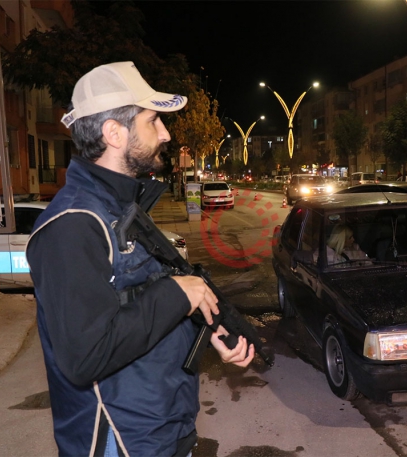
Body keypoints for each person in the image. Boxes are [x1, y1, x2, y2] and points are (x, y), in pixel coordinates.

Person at [26, 62, 254, 456]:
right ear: (113, 133)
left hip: (160, 424)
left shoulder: (118, 205)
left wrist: (204, 327)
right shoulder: (74, 225)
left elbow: (135, 298)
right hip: (121, 437)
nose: (165, 133)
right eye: (153, 122)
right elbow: (86, 356)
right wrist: (177, 296)